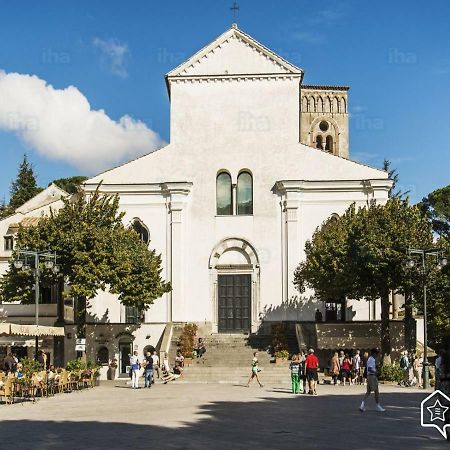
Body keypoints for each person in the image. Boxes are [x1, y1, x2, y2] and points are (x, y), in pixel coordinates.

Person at [359, 348, 385, 412]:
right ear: (374, 353)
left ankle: (362, 404)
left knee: (368, 392)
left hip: (370, 376)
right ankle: (377, 405)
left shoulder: (370, 359)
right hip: (372, 376)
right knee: (376, 391)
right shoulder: (372, 359)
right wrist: (376, 372)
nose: (377, 356)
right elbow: (370, 368)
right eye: (377, 354)